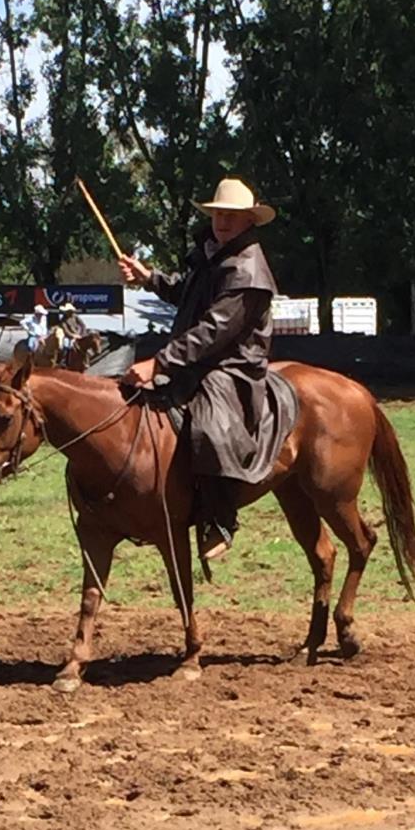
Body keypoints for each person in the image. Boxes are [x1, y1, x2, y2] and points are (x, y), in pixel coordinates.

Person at [118, 177, 277, 561]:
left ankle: (220, 519)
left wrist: (158, 362)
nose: (222, 221)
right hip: (195, 359)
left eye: (231, 215)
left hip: (232, 365)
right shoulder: (214, 255)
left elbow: (214, 331)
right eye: (218, 214)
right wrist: (149, 278)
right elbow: (188, 292)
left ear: (249, 220)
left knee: (210, 424)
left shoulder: (249, 271)